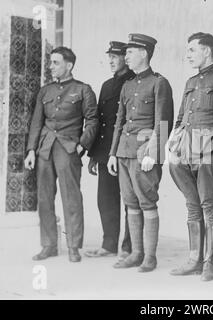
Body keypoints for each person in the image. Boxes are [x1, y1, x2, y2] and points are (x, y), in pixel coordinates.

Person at [168, 32, 213, 281]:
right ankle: (193, 260)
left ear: (206, 51)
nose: (187, 55)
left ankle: (209, 263)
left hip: (208, 151)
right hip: (185, 150)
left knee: (208, 205)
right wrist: (174, 144)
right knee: (192, 205)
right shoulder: (190, 82)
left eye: (191, 50)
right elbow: (180, 118)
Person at [24, 47, 98, 263]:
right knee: (44, 198)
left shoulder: (83, 90)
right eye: (51, 63)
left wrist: (81, 144)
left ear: (69, 65)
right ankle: (49, 245)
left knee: (71, 198)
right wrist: (31, 150)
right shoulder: (44, 91)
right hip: (45, 149)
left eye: (56, 63)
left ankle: (74, 246)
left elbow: (92, 121)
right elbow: (37, 122)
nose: (51, 67)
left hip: (68, 148)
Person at [108, 33, 174, 272]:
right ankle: (136, 253)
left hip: (144, 153)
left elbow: (163, 122)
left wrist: (152, 153)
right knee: (130, 203)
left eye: (130, 52)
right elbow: (119, 121)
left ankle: (150, 257)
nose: (125, 56)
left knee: (147, 203)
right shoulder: (127, 85)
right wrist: (113, 153)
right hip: (125, 152)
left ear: (144, 53)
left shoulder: (159, 83)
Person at [85, 42, 135, 259]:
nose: (112, 61)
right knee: (106, 198)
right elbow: (101, 120)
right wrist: (95, 155)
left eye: (116, 56)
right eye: (110, 57)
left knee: (131, 200)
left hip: (126, 151)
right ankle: (109, 244)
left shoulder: (134, 81)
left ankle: (129, 247)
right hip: (106, 152)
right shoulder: (106, 85)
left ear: (127, 57)